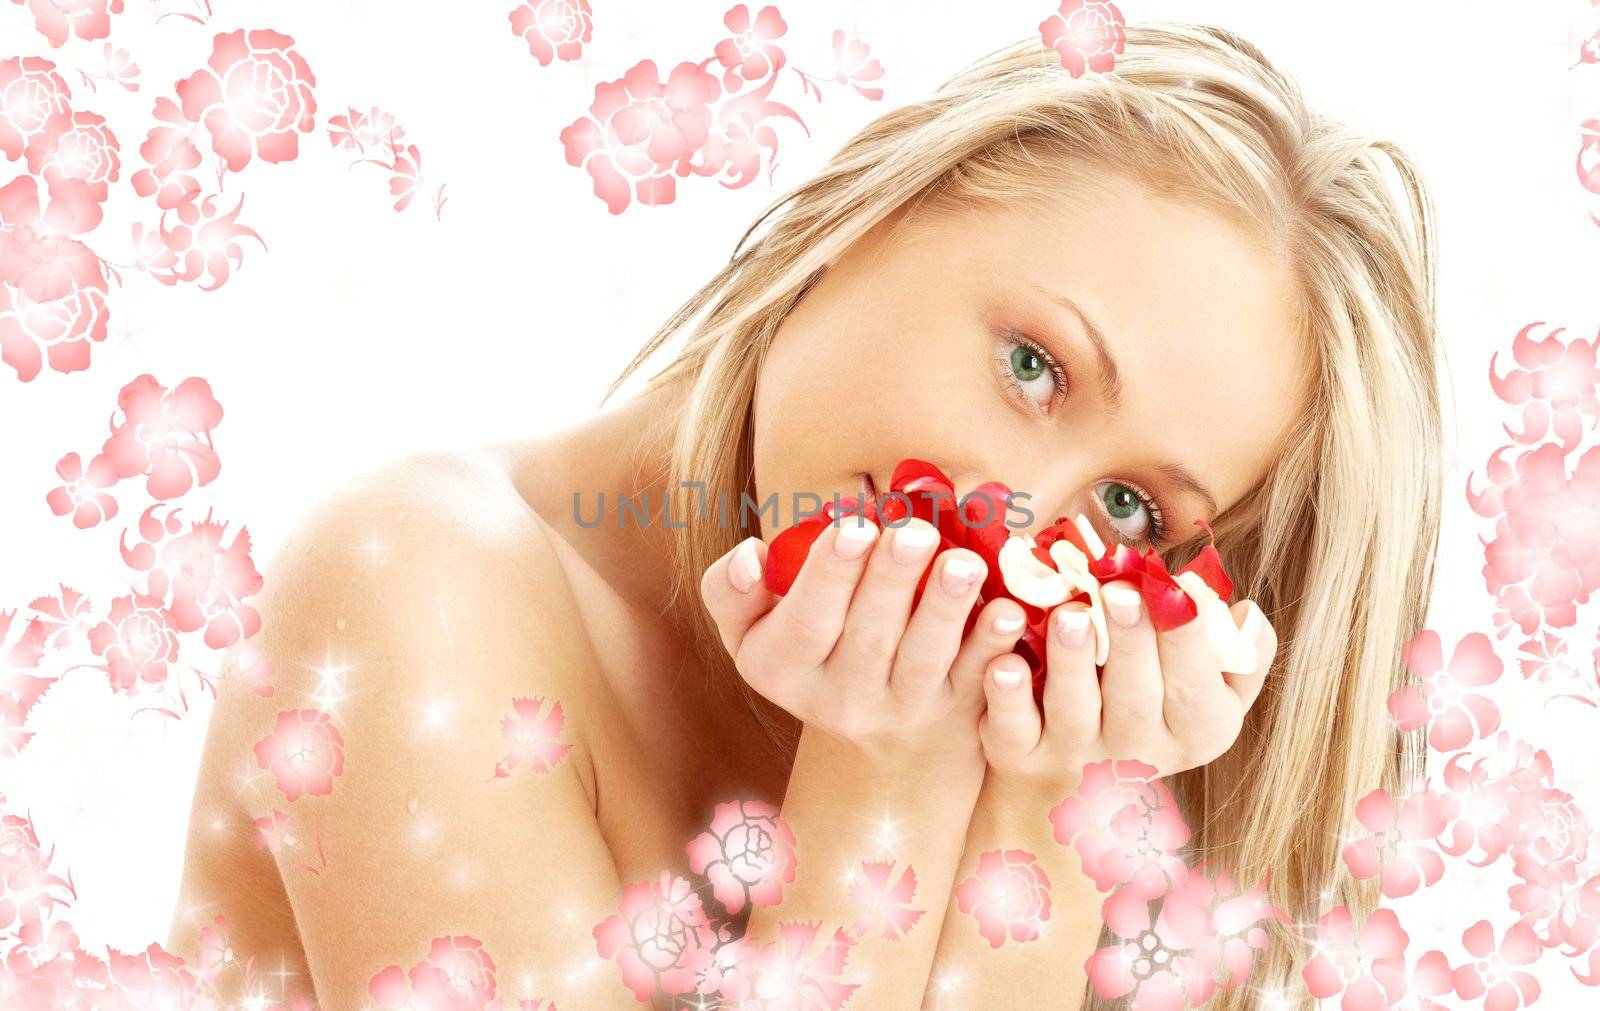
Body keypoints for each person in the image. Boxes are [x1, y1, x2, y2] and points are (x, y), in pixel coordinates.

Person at [167, 20, 1443, 1010]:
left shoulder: (1058, 725)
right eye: (1032, 367)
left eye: (1126, 506)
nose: (1016, 521)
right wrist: (874, 774)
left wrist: (1046, 813)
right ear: (865, 209)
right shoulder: (412, 589)